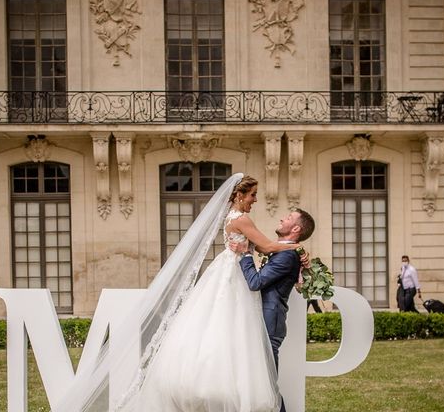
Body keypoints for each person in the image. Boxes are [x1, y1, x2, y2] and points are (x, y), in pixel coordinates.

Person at [121, 175, 308, 412]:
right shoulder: (241, 219)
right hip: (235, 272)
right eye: (252, 195)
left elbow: (261, 246)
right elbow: (268, 247)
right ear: (240, 195)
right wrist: (297, 247)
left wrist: (285, 250)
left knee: (222, 325)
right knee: (231, 324)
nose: (255, 200)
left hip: (232, 267)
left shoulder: (233, 217)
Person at [236, 206, 316, 412]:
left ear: (296, 228)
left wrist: (245, 255)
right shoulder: (285, 251)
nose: (282, 218)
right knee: (259, 384)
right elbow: (266, 247)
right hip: (263, 321)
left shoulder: (287, 257)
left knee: (268, 385)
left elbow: (255, 282)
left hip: (269, 324)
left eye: (288, 217)